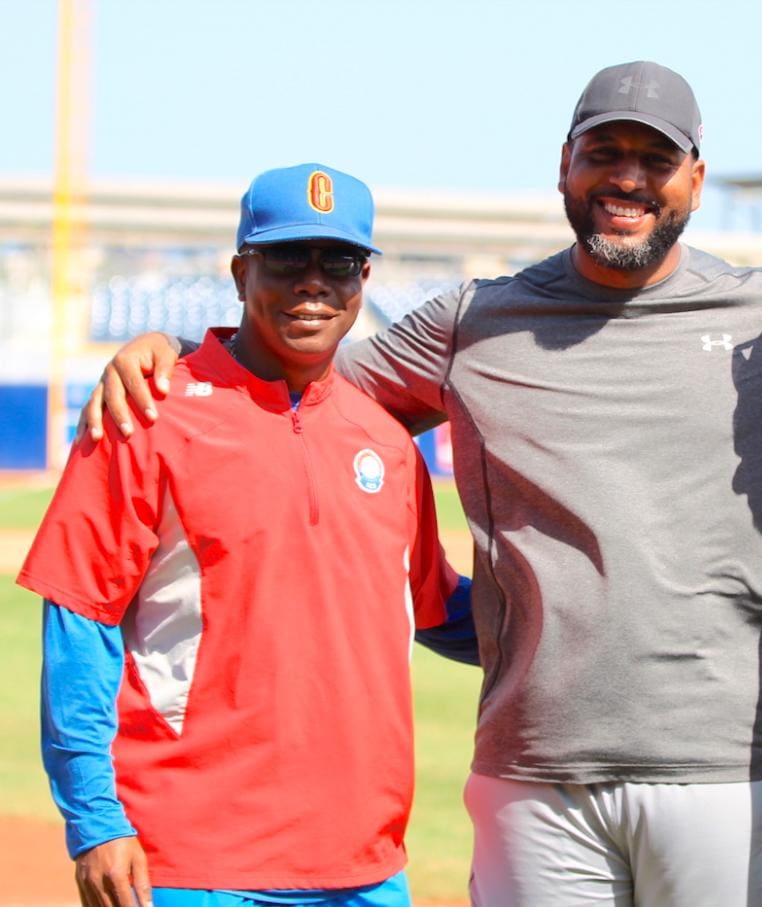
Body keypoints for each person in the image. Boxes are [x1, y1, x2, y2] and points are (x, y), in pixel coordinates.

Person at [83, 65, 762, 907]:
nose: (628, 178)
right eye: (605, 153)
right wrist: (170, 350)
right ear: (565, 167)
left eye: (654, 159)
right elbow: (292, 369)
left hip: (721, 770)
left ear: (697, 179)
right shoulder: (471, 322)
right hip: (531, 774)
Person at [19, 163, 475, 907]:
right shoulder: (146, 413)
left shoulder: (388, 445)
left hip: (364, 862)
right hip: (192, 860)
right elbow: (80, 622)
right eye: (288, 257)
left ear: (363, 280)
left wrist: (584, 621)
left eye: (339, 262)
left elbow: (437, 608)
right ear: (240, 271)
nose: (313, 282)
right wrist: (95, 822)